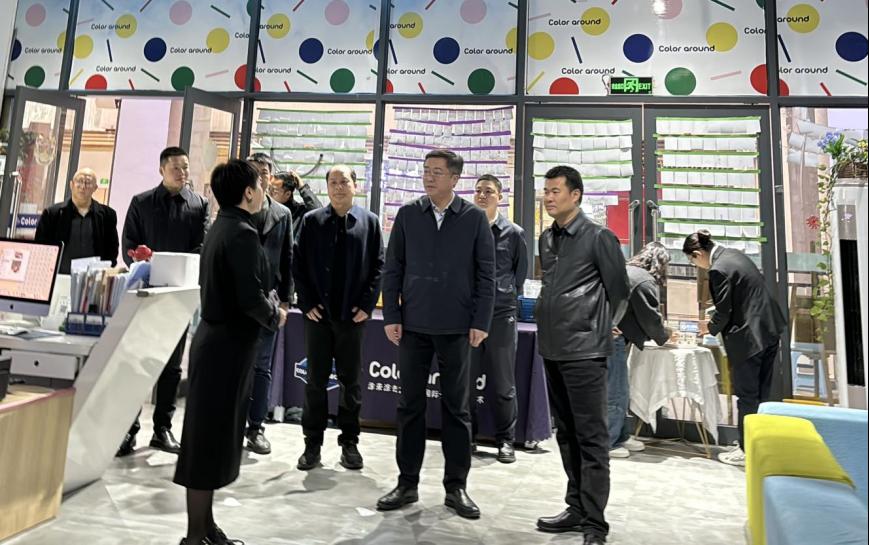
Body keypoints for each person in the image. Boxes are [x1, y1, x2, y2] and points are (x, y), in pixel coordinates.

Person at [173, 159, 287, 545]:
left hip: (219, 344)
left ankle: (205, 529)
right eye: (260, 185)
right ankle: (194, 537)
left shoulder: (224, 226)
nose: (264, 191)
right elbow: (250, 297)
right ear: (249, 192)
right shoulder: (241, 234)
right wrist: (275, 314)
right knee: (207, 443)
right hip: (225, 348)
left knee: (212, 439)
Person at [378, 149, 495, 519]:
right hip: (413, 325)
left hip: (457, 327)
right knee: (409, 406)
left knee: (457, 409)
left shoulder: (473, 218)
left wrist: (481, 321)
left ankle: (456, 487)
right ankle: (406, 483)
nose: (429, 177)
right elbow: (393, 268)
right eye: (426, 171)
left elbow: (486, 275)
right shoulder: (408, 215)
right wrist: (391, 315)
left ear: (455, 178)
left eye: (437, 172)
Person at [534, 165, 629, 545]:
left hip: (586, 351)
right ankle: (575, 507)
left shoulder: (599, 237)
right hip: (552, 347)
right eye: (546, 191)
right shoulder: (546, 239)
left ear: (576, 195)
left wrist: (602, 327)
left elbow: (619, 291)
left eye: (555, 191)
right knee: (567, 434)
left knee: (591, 439)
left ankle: (595, 523)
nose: (549, 197)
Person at [118, 146, 209, 457]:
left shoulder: (198, 204)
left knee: (171, 367)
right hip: (145, 296)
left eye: (185, 167)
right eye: (175, 168)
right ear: (161, 170)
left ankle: (163, 429)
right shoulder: (141, 202)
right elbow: (129, 245)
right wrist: (142, 259)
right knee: (136, 364)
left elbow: (201, 247)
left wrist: (178, 269)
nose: (182, 173)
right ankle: (127, 430)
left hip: (179, 297)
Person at [293, 164, 384, 471]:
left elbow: (379, 266)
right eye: (333, 182)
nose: (338, 187)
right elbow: (298, 264)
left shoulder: (369, 223)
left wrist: (367, 305)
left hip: (352, 317)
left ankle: (350, 443)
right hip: (318, 316)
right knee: (315, 382)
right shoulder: (311, 221)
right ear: (327, 187)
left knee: (351, 382)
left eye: (344, 181)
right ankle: (312, 444)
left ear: (355, 186)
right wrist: (306, 302)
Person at [682, 230, 786, 467]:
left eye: (692, 261)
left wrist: (708, 327)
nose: (696, 266)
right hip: (769, 329)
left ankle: (746, 449)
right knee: (762, 394)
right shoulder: (734, 255)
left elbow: (724, 311)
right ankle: (759, 445)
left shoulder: (718, 269)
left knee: (747, 395)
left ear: (698, 254)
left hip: (749, 338)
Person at [470, 174, 527, 464]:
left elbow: (519, 274)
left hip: (501, 315)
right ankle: (466, 437)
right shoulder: (465, 228)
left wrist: (503, 294)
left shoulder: (514, 233)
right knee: (464, 383)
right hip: (468, 316)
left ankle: (506, 440)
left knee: (503, 384)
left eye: (488, 191)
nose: (482, 195)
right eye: (478, 190)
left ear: (499, 197)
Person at [244, 152, 294, 456]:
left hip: (269, 302)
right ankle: (232, 424)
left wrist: (286, 301)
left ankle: (256, 428)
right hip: (239, 302)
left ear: (271, 177)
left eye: (264, 171)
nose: (260, 176)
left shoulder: (282, 214)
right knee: (237, 366)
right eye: (254, 170)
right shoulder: (235, 208)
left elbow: (287, 259)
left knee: (262, 367)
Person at [608, 242, 674, 459]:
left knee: (619, 389)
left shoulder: (627, 271)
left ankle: (620, 436)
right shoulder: (644, 281)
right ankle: (609, 442)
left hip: (608, 334)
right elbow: (650, 318)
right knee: (615, 391)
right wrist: (666, 334)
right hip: (613, 339)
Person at [35, 168, 119, 274]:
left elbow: (112, 248)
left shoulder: (107, 215)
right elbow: (41, 246)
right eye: (79, 181)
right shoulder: (52, 213)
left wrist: (104, 272)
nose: (83, 186)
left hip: (93, 278)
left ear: (95, 188)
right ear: (71, 185)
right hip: (60, 276)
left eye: (88, 183)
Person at [269, 170, 323, 240]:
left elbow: (319, 214)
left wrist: (302, 188)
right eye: (269, 189)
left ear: (287, 194)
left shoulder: (300, 213)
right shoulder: (267, 210)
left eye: (274, 191)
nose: (269, 194)